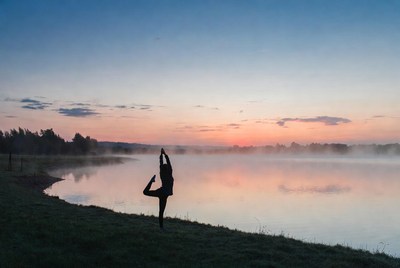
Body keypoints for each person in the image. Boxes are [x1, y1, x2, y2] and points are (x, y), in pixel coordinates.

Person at [143, 148, 174, 229]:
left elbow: (162, 163)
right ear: (168, 168)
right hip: (163, 193)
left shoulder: (163, 174)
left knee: (161, 212)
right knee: (161, 211)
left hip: (162, 193)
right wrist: (164, 154)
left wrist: (161, 155)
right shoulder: (169, 173)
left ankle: (161, 227)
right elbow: (168, 162)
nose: (168, 166)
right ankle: (151, 181)